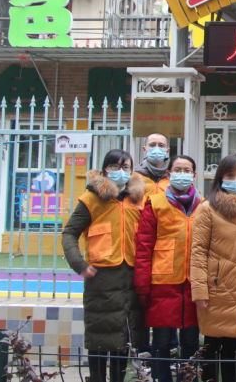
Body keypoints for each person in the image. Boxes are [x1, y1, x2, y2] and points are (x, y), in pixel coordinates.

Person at [61, 150, 147, 382]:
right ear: (105, 169)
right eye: (114, 166)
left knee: (124, 337)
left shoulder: (139, 199)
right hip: (100, 279)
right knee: (99, 337)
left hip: (132, 277)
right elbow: (69, 233)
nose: (121, 171)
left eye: (125, 167)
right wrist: (79, 264)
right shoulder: (91, 199)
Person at [191, 155, 236, 382]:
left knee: (233, 350)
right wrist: (199, 291)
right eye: (230, 175)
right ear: (220, 178)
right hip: (216, 291)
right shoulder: (207, 209)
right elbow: (198, 252)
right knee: (211, 348)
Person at [134, 155, 203, 382]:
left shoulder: (203, 205)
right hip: (162, 283)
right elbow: (144, 247)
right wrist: (142, 285)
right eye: (177, 170)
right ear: (169, 174)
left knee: (191, 341)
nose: (182, 174)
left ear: (194, 175)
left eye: (187, 170)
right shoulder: (154, 203)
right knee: (162, 342)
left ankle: (188, 378)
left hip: (193, 283)